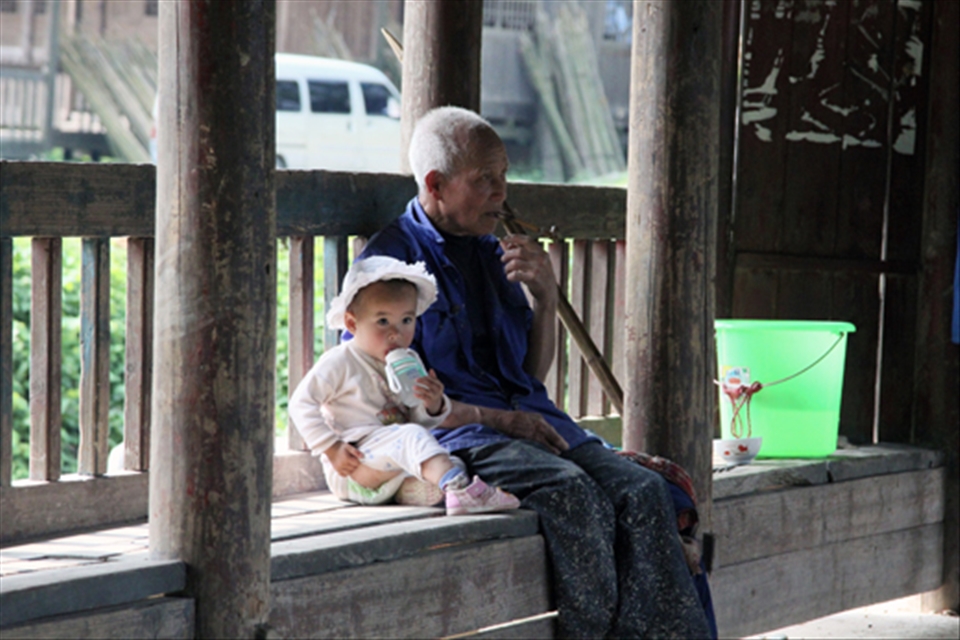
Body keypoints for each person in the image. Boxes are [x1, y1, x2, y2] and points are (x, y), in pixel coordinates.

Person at [357, 106, 716, 638]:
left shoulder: (491, 250)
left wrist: (545, 298)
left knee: (643, 492)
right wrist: (504, 423)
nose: (503, 192)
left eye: (503, 176)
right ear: (435, 184)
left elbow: (529, 378)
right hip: (461, 434)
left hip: (534, 423)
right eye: (486, 180)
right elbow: (393, 395)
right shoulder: (388, 269)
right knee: (577, 495)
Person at [288, 255, 521, 516]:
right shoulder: (341, 360)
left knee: (449, 458)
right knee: (412, 438)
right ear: (352, 324)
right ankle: (460, 491)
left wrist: (432, 405)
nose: (396, 333)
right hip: (354, 464)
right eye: (383, 321)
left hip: (390, 464)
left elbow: (416, 418)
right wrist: (331, 447)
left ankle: (434, 493)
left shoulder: (408, 362)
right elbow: (300, 403)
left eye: (406, 320)